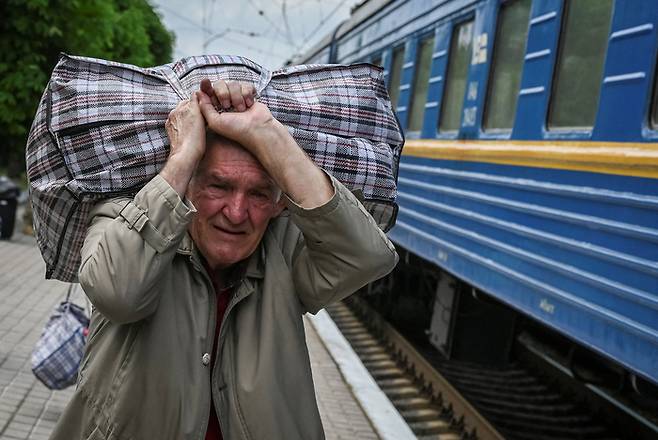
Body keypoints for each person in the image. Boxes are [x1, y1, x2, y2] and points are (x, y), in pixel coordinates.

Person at [49, 79, 398, 440]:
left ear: (280, 204)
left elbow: (369, 257)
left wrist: (270, 136)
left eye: (259, 194)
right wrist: (183, 156)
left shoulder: (284, 250)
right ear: (187, 184)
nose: (236, 212)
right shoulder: (123, 219)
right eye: (219, 186)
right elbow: (117, 292)